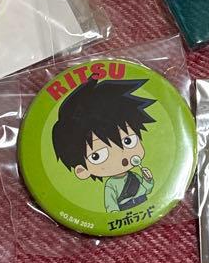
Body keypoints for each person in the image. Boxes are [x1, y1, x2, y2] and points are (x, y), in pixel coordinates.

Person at [51, 78, 157, 214]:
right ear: (82, 171)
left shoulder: (134, 176)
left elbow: (146, 190)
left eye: (128, 141)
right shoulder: (111, 185)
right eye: (97, 156)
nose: (122, 156)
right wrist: (115, 220)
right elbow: (111, 206)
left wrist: (148, 180)